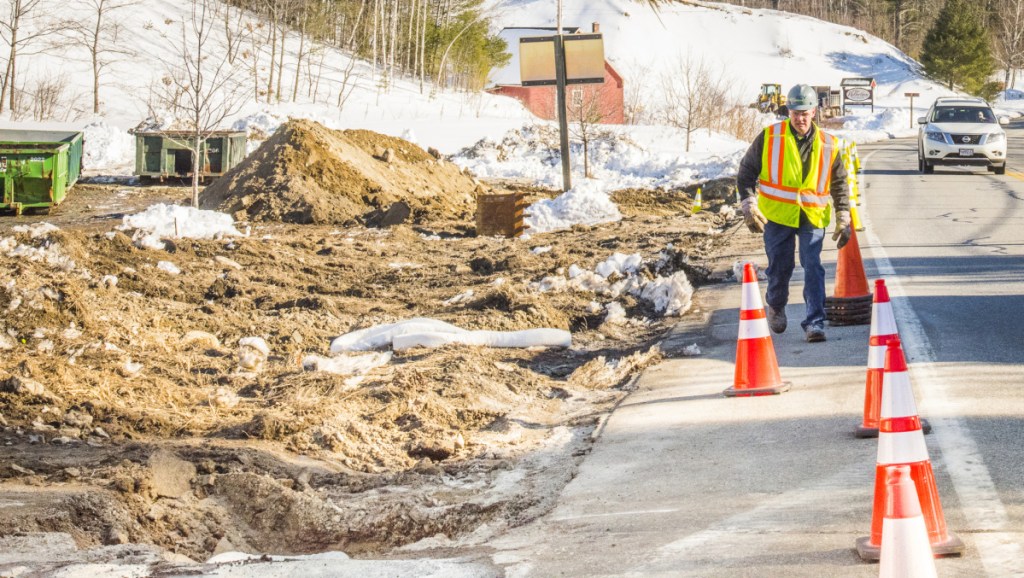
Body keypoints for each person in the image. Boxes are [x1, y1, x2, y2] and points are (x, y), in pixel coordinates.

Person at [736, 83, 851, 343]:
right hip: (777, 215)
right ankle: (776, 304)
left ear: (814, 112)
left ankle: (815, 322)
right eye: (795, 112)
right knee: (780, 266)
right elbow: (746, 173)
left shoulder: (829, 144)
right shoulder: (769, 137)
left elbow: (840, 182)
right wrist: (748, 203)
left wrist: (844, 214)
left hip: (812, 215)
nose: (800, 118)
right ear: (788, 111)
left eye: (805, 112)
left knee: (813, 266)